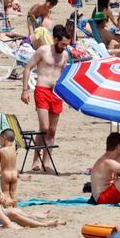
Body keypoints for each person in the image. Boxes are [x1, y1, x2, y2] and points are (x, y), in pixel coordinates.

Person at [20, 24, 71, 173]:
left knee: (53, 130)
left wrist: (67, 96)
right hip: (42, 89)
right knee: (44, 128)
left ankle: (46, 162)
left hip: (56, 93)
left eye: (66, 45)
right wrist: (25, 90)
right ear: (55, 39)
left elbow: (62, 75)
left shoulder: (65, 55)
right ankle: (36, 159)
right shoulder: (43, 51)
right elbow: (28, 67)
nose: (64, 47)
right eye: (62, 44)